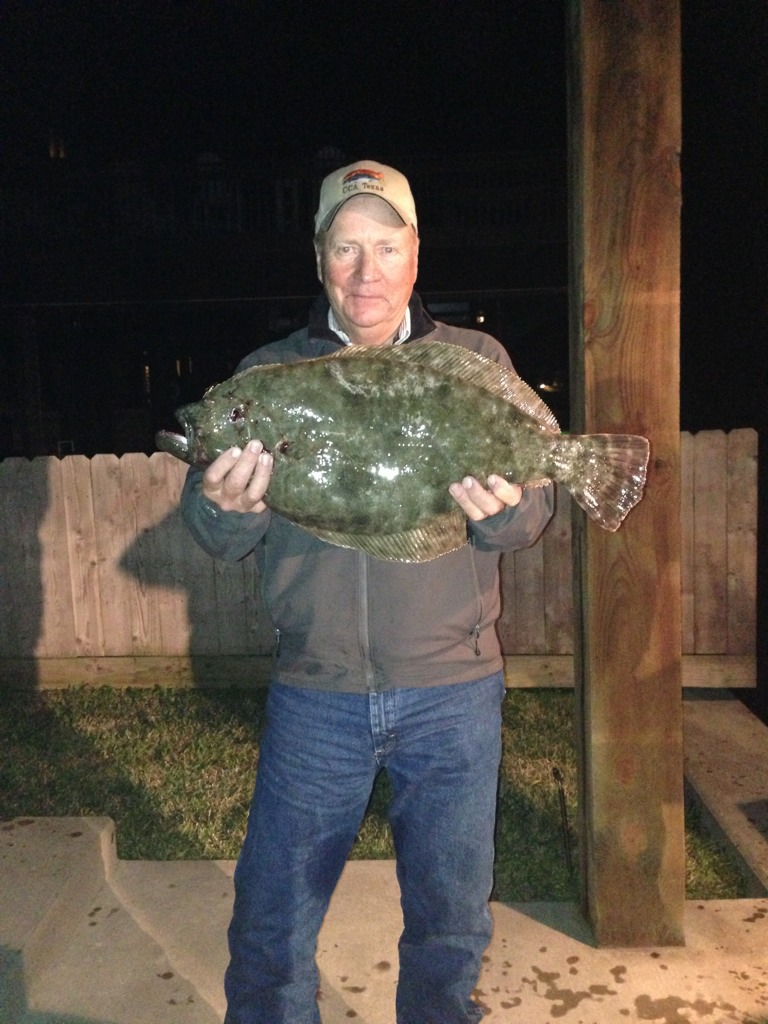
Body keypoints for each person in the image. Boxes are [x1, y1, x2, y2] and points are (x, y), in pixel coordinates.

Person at [181, 160, 554, 1024]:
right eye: (346, 248)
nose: (366, 271)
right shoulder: (269, 376)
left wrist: (500, 512)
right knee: (270, 922)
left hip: (454, 692)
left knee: (450, 921)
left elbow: (528, 516)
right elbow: (212, 533)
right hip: (318, 693)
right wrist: (224, 504)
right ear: (320, 259)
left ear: (415, 254)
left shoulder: (475, 361)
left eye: (385, 247)